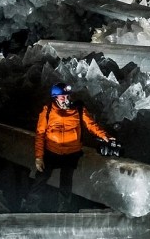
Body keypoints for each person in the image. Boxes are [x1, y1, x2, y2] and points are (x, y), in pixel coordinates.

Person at [22, 82, 114, 212]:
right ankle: (31, 205)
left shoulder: (78, 109)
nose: (65, 99)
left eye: (67, 96)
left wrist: (106, 137)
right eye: (62, 96)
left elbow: (92, 125)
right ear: (55, 98)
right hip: (52, 151)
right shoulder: (47, 111)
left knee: (66, 182)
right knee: (41, 178)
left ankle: (63, 208)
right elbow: (40, 134)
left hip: (71, 153)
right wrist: (39, 157)